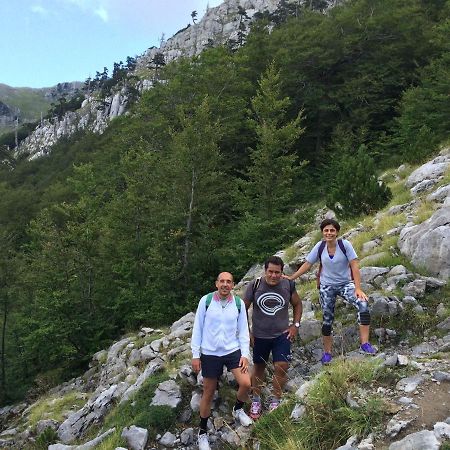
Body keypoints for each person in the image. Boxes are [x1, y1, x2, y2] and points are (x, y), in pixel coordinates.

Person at [285, 218, 376, 364]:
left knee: (363, 305)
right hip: (327, 286)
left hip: (346, 284)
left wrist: (358, 288)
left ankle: (365, 344)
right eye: (326, 230)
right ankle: (327, 353)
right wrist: (291, 277)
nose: (329, 233)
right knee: (327, 319)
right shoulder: (320, 247)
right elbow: (308, 264)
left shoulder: (344, 245)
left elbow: (354, 266)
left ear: (337, 232)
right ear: (322, 232)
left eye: (332, 230)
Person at [191, 272, 253, 450]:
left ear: (233, 285)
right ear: (216, 283)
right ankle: (202, 432)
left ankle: (238, 409)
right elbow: (198, 327)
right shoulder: (206, 301)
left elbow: (243, 331)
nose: (225, 284)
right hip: (209, 353)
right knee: (208, 392)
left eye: (228, 282)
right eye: (222, 281)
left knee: (246, 383)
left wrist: (245, 355)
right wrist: (196, 355)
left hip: (232, 350)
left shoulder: (239, 304)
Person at [244, 255, 302, 420]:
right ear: (265, 270)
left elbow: (297, 304)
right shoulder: (254, 285)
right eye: (271, 271)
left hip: (281, 335)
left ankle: (275, 399)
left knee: (282, 366)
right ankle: (256, 399)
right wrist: (246, 332)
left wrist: (295, 325)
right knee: (259, 367)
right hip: (259, 335)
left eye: (277, 272)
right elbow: (242, 309)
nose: (274, 275)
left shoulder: (288, 284)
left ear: (282, 272)